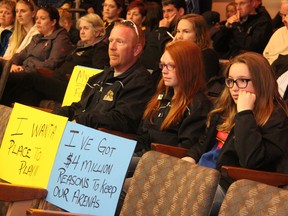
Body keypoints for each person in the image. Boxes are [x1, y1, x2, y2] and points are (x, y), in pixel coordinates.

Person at [182, 52, 288, 214]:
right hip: (202, 173)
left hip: (232, 186)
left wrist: (245, 113)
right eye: (231, 81)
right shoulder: (226, 106)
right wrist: (191, 156)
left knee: (184, 198)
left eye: (243, 81)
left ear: (261, 81)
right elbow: (204, 144)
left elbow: (251, 161)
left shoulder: (275, 118)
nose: (234, 88)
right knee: (150, 180)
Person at [53, 20, 155, 134]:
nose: (112, 47)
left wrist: (83, 120)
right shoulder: (97, 78)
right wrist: (57, 115)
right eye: (111, 41)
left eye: (120, 42)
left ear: (136, 49)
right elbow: (81, 108)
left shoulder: (141, 82)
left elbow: (122, 120)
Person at [1, 13, 109, 107]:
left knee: (31, 77)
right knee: (28, 91)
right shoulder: (80, 46)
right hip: (57, 79)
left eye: (86, 28)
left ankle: (3, 102)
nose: (82, 32)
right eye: (80, 28)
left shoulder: (99, 48)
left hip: (72, 87)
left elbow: (98, 73)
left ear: (97, 32)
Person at [134, 40, 212, 160]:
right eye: (162, 65)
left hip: (163, 163)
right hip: (142, 155)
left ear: (187, 67)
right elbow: (142, 133)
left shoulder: (197, 104)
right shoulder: (162, 95)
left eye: (170, 65)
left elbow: (184, 148)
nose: (164, 71)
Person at [0, 6, 73, 105]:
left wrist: (25, 67)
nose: (38, 22)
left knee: (9, 79)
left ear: (53, 22)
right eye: (37, 18)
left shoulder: (61, 38)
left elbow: (52, 63)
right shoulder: (36, 38)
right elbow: (20, 55)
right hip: (26, 71)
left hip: (42, 76)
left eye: (42, 19)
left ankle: (4, 104)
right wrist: (12, 64)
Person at [140, 0, 186, 72]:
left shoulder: (183, 30)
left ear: (180, 11)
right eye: (164, 11)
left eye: (169, 11)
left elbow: (169, 50)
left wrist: (163, 30)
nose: (165, 15)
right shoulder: (160, 27)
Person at [174, 14, 219, 82]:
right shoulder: (180, 53)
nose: (179, 36)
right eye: (178, 31)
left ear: (199, 35)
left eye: (186, 31)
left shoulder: (207, 55)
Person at [263, 0, 288, 65]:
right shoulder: (279, 33)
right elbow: (266, 57)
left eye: (285, 15)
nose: (283, 20)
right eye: (281, 15)